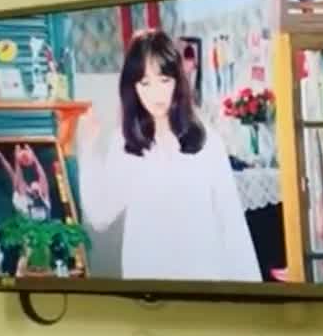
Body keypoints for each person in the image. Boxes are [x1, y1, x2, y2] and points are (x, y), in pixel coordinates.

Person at [77, 31, 261, 282]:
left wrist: (248, 290)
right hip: (149, 281)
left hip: (204, 277)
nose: (156, 94)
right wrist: (88, 149)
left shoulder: (206, 141)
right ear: (133, 88)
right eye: (145, 83)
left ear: (177, 80)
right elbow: (100, 216)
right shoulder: (126, 144)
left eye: (164, 80)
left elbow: (232, 223)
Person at [0, 143, 51, 222]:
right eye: (33, 187)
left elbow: (42, 177)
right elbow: (15, 175)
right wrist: (18, 159)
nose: (37, 185)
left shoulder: (42, 198)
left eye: (38, 186)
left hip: (39, 226)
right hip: (29, 225)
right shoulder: (23, 199)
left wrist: (33, 157)